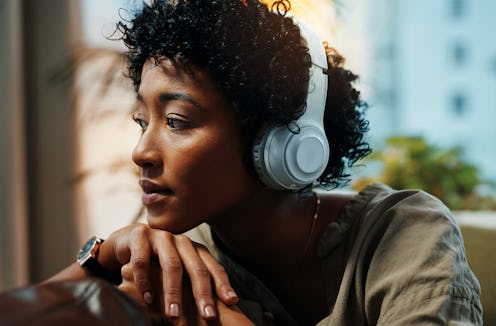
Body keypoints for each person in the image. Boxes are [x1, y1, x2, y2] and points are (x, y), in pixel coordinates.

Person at [45, 0, 483, 324]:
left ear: (280, 140)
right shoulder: (176, 257)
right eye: (143, 122)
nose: (141, 152)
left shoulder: (405, 232)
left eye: (176, 121)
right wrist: (102, 258)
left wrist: (217, 318)